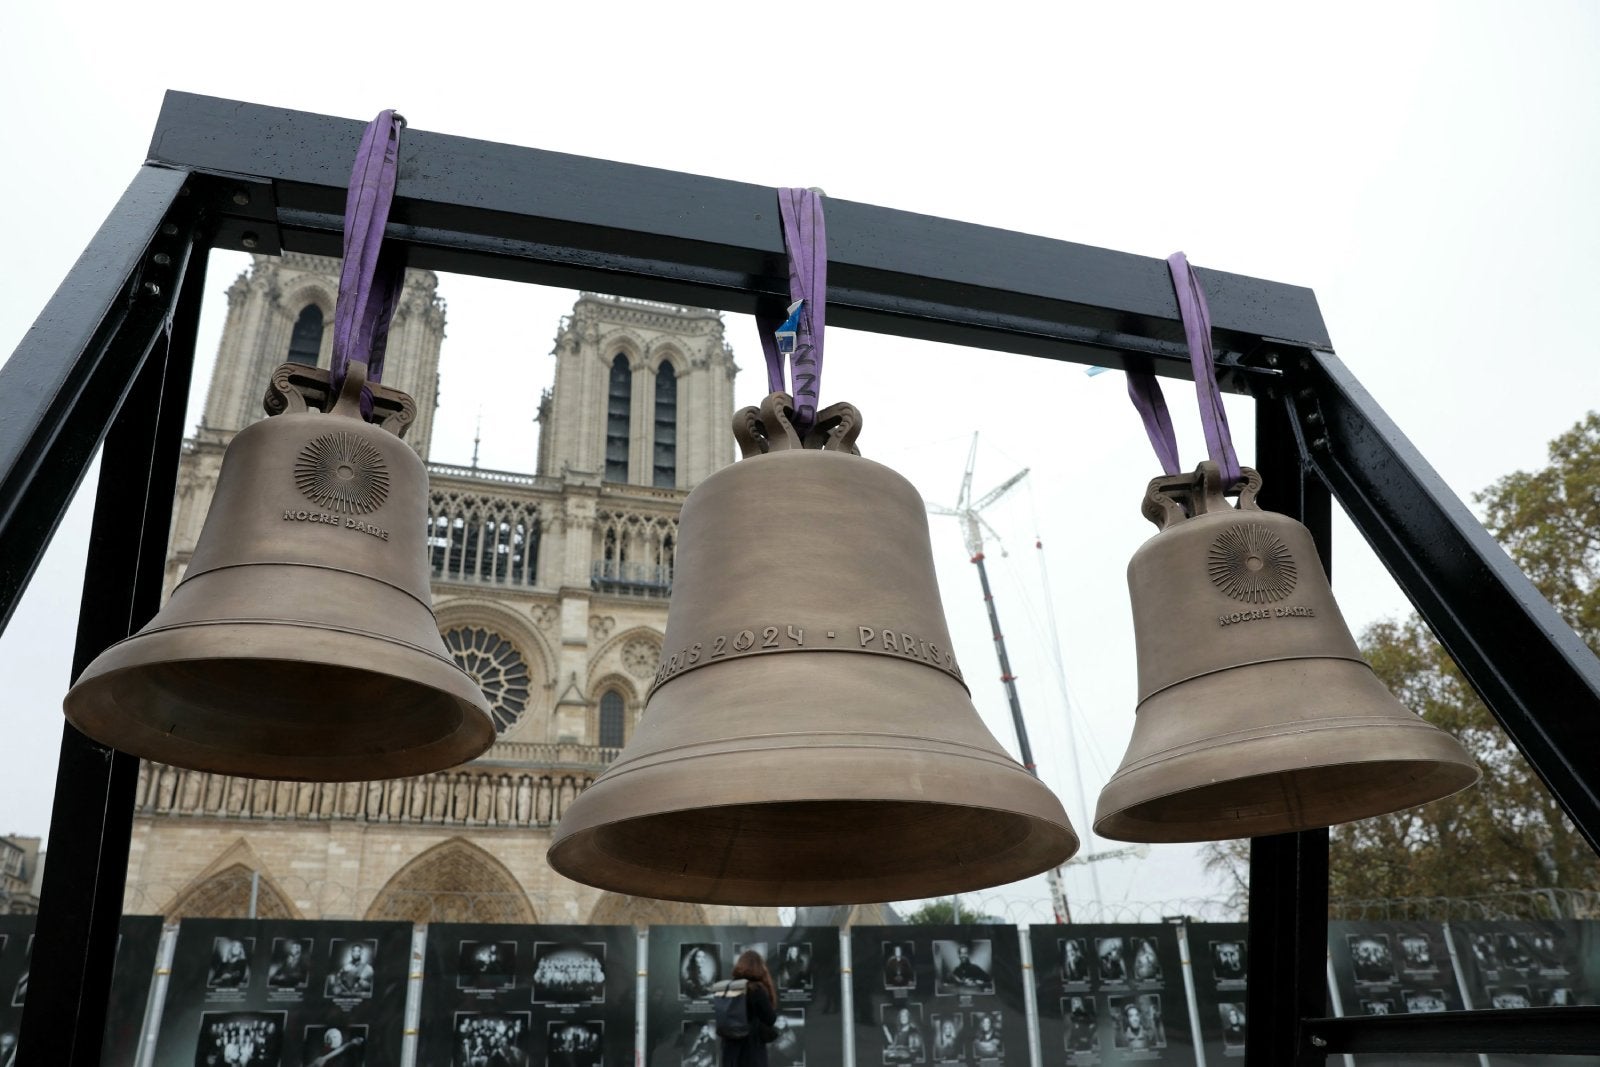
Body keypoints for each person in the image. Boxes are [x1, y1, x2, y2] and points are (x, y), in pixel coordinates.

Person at [719, 949, 778, 1067]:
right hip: (751, 1051)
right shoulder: (756, 990)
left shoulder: (727, 988)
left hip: (730, 1051)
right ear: (759, 967)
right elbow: (770, 1018)